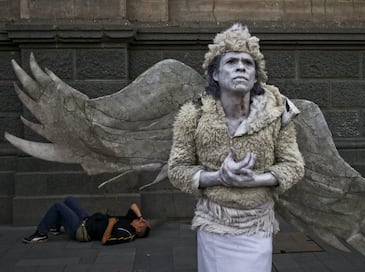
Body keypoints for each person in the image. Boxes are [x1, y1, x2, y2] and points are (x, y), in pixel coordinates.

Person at [168, 24, 305, 272]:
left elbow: (294, 166)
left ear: (255, 76)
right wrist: (217, 177)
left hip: (257, 225)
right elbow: (177, 169)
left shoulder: (277, 114)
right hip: (214, 224)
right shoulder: (193, 115)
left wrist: (255, 180)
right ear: (216, 74)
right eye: (231, 61)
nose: (241, 66)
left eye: (248, 63)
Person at [22, 196, 151, 245]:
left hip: (81, 230)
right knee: (69, 200)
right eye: (141, 220)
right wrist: (140, 217)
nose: (140, 220)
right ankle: (55, 227)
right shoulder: (130, 220)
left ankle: (41, 234)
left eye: (141, 222)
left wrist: (111, 224)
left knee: (58, 206)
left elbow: (105, 241)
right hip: (88, 220)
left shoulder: (127, 234)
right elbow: (133, 205)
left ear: (139, 230)